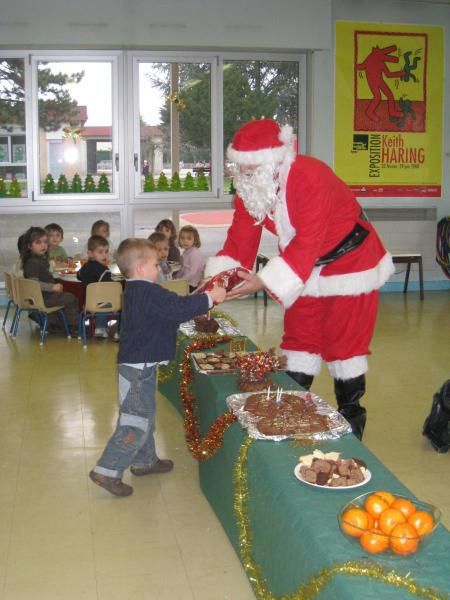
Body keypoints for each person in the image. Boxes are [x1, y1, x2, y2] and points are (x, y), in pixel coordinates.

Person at [206, 119, 395, 440]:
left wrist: (263, 282)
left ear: (273, 160)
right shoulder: (251, 188)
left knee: (344, 344)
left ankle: (351, 420)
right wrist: (217, 282)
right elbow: (240, 239)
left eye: (251, 168)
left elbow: (307, 240)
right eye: (240, 168)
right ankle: (289, 411)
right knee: (299, 337)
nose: (244, 176)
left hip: (350, 260)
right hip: (302, 262)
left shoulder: (310, 176)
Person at [89, 238, 226, 497]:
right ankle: (106, 470)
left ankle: (144, 461)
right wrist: (210, 297)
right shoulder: (147, 292)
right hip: (138, 370)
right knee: (136, 422)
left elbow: (171, 305)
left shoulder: (138, 290)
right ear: (141, 268)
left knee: (145, 416)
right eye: (156, 263)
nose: (160, 267)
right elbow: (176, 307)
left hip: (139, 366)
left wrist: (197, 301)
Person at [20, 226, 79, 335]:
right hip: (42, 297)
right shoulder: (33, 262)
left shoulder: (38, 259)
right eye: (38, 242)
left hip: (43, 296)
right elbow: (34, 284)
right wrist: (52, 287)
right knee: (71, 298)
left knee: (66, 295)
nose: (43, 245)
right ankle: (74, 328)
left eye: (45, 242)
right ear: (29, 246)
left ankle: (51, 322)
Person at [77, 234, 116, 339]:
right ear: (90, 253)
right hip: (101, 304)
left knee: (99, 301)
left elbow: (78, 276)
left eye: (106, 252)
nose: (104, 255)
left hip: (87, 304)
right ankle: (112, 329)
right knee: (115, 302)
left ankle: (99, 328)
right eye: (100, 252)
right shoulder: (104, 271)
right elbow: (111, 287)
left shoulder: (85, 267)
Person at [175, 225, 205, 293]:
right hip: (187, 282)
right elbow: (183, 268)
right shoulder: (186, 252)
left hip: (193, 285)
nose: (185, 241)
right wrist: (176, 277)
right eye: (182, 238)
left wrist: (181, 280)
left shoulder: (194, 253)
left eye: (189, 238)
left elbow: (193, 272)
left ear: (195, 240)